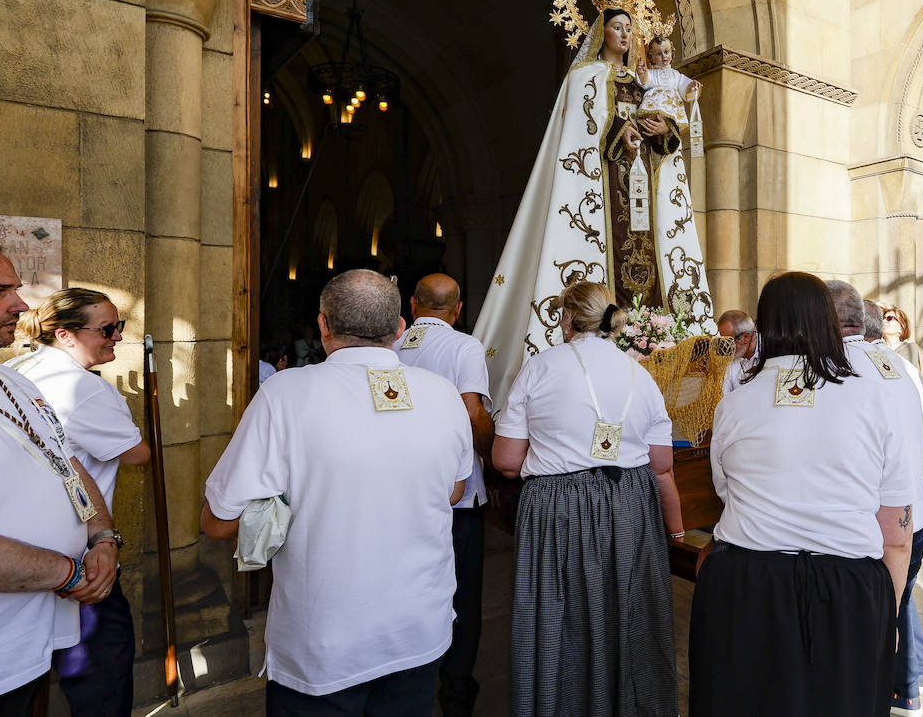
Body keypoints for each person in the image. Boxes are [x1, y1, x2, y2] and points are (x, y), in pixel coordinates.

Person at [202, 269, 472, 716]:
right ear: (401, 327)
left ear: (324, 326)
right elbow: (454, 490)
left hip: (326, 638)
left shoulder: (285, 393)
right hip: (418, 629)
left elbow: (218, 520)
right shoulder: (443, 394)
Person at [475, 0, 714, 409]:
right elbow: (578, 140)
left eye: (630, 28)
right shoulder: (583, 78)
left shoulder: (646, 84)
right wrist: (615, 133)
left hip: (642, 204)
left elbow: (667, 139)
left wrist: (666, 132)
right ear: (600, 30)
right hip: (599, 203)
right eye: (617, 26)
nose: (625, 34)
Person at [690, 273, 912, 716]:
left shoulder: (733, 405)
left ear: (766, 326)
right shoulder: (876, 399)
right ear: (828, 322)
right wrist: (887, 612)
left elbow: (727, 493)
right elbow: (896, 532)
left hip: (746, 585)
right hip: (848, 589)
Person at [0, 233, 118, 716]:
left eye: (15, 288)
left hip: (31, 640)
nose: (21, 304)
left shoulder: (12, 379)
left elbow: (66, 464)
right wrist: (68, 572)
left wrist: (103, 537)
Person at [493, 281, 683, 717]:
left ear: (566, 319)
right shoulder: (641, 373)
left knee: (562, 614)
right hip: (629, 501)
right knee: (629, 610)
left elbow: (505, 460)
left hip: (557, 506)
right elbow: (661, 461)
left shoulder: (540, 368)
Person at [7, 288, 150, 717]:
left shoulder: (15, 370)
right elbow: (138, 454)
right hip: (81, 557)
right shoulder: (84, 388)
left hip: (22, 547)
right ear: (66, 334)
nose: (117, 338)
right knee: (100, 680)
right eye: (107, 329)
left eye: (119, 326)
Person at [393, 274, 494, 717]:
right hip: (457, 493)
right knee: (462, 594)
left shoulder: (389, 347)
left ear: (414, 305)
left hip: (400, 489)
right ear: (457, 309)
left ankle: (407, 676)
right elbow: (472, 411)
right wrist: (492, 443)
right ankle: (455, 690)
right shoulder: (464, 346)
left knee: (407, 584)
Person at [856, 296, 923, 713]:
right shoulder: (889, 363)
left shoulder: (883, 368)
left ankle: (905, 688)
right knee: (903, 586)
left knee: (895, 583)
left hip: (921, 477)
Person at [716, 308, 758, 396]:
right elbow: (723, 398)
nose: (725, 347)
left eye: (729, 341)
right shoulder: (729, 358)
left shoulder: (772, 351)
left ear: (746, 337)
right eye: (723, 341)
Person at [879, 302, 921, 367]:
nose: (884, 321)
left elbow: (899, 370)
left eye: (889, 318)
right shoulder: (877, 346)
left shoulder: (910, 347)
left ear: (901, 328)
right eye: (883, 318)